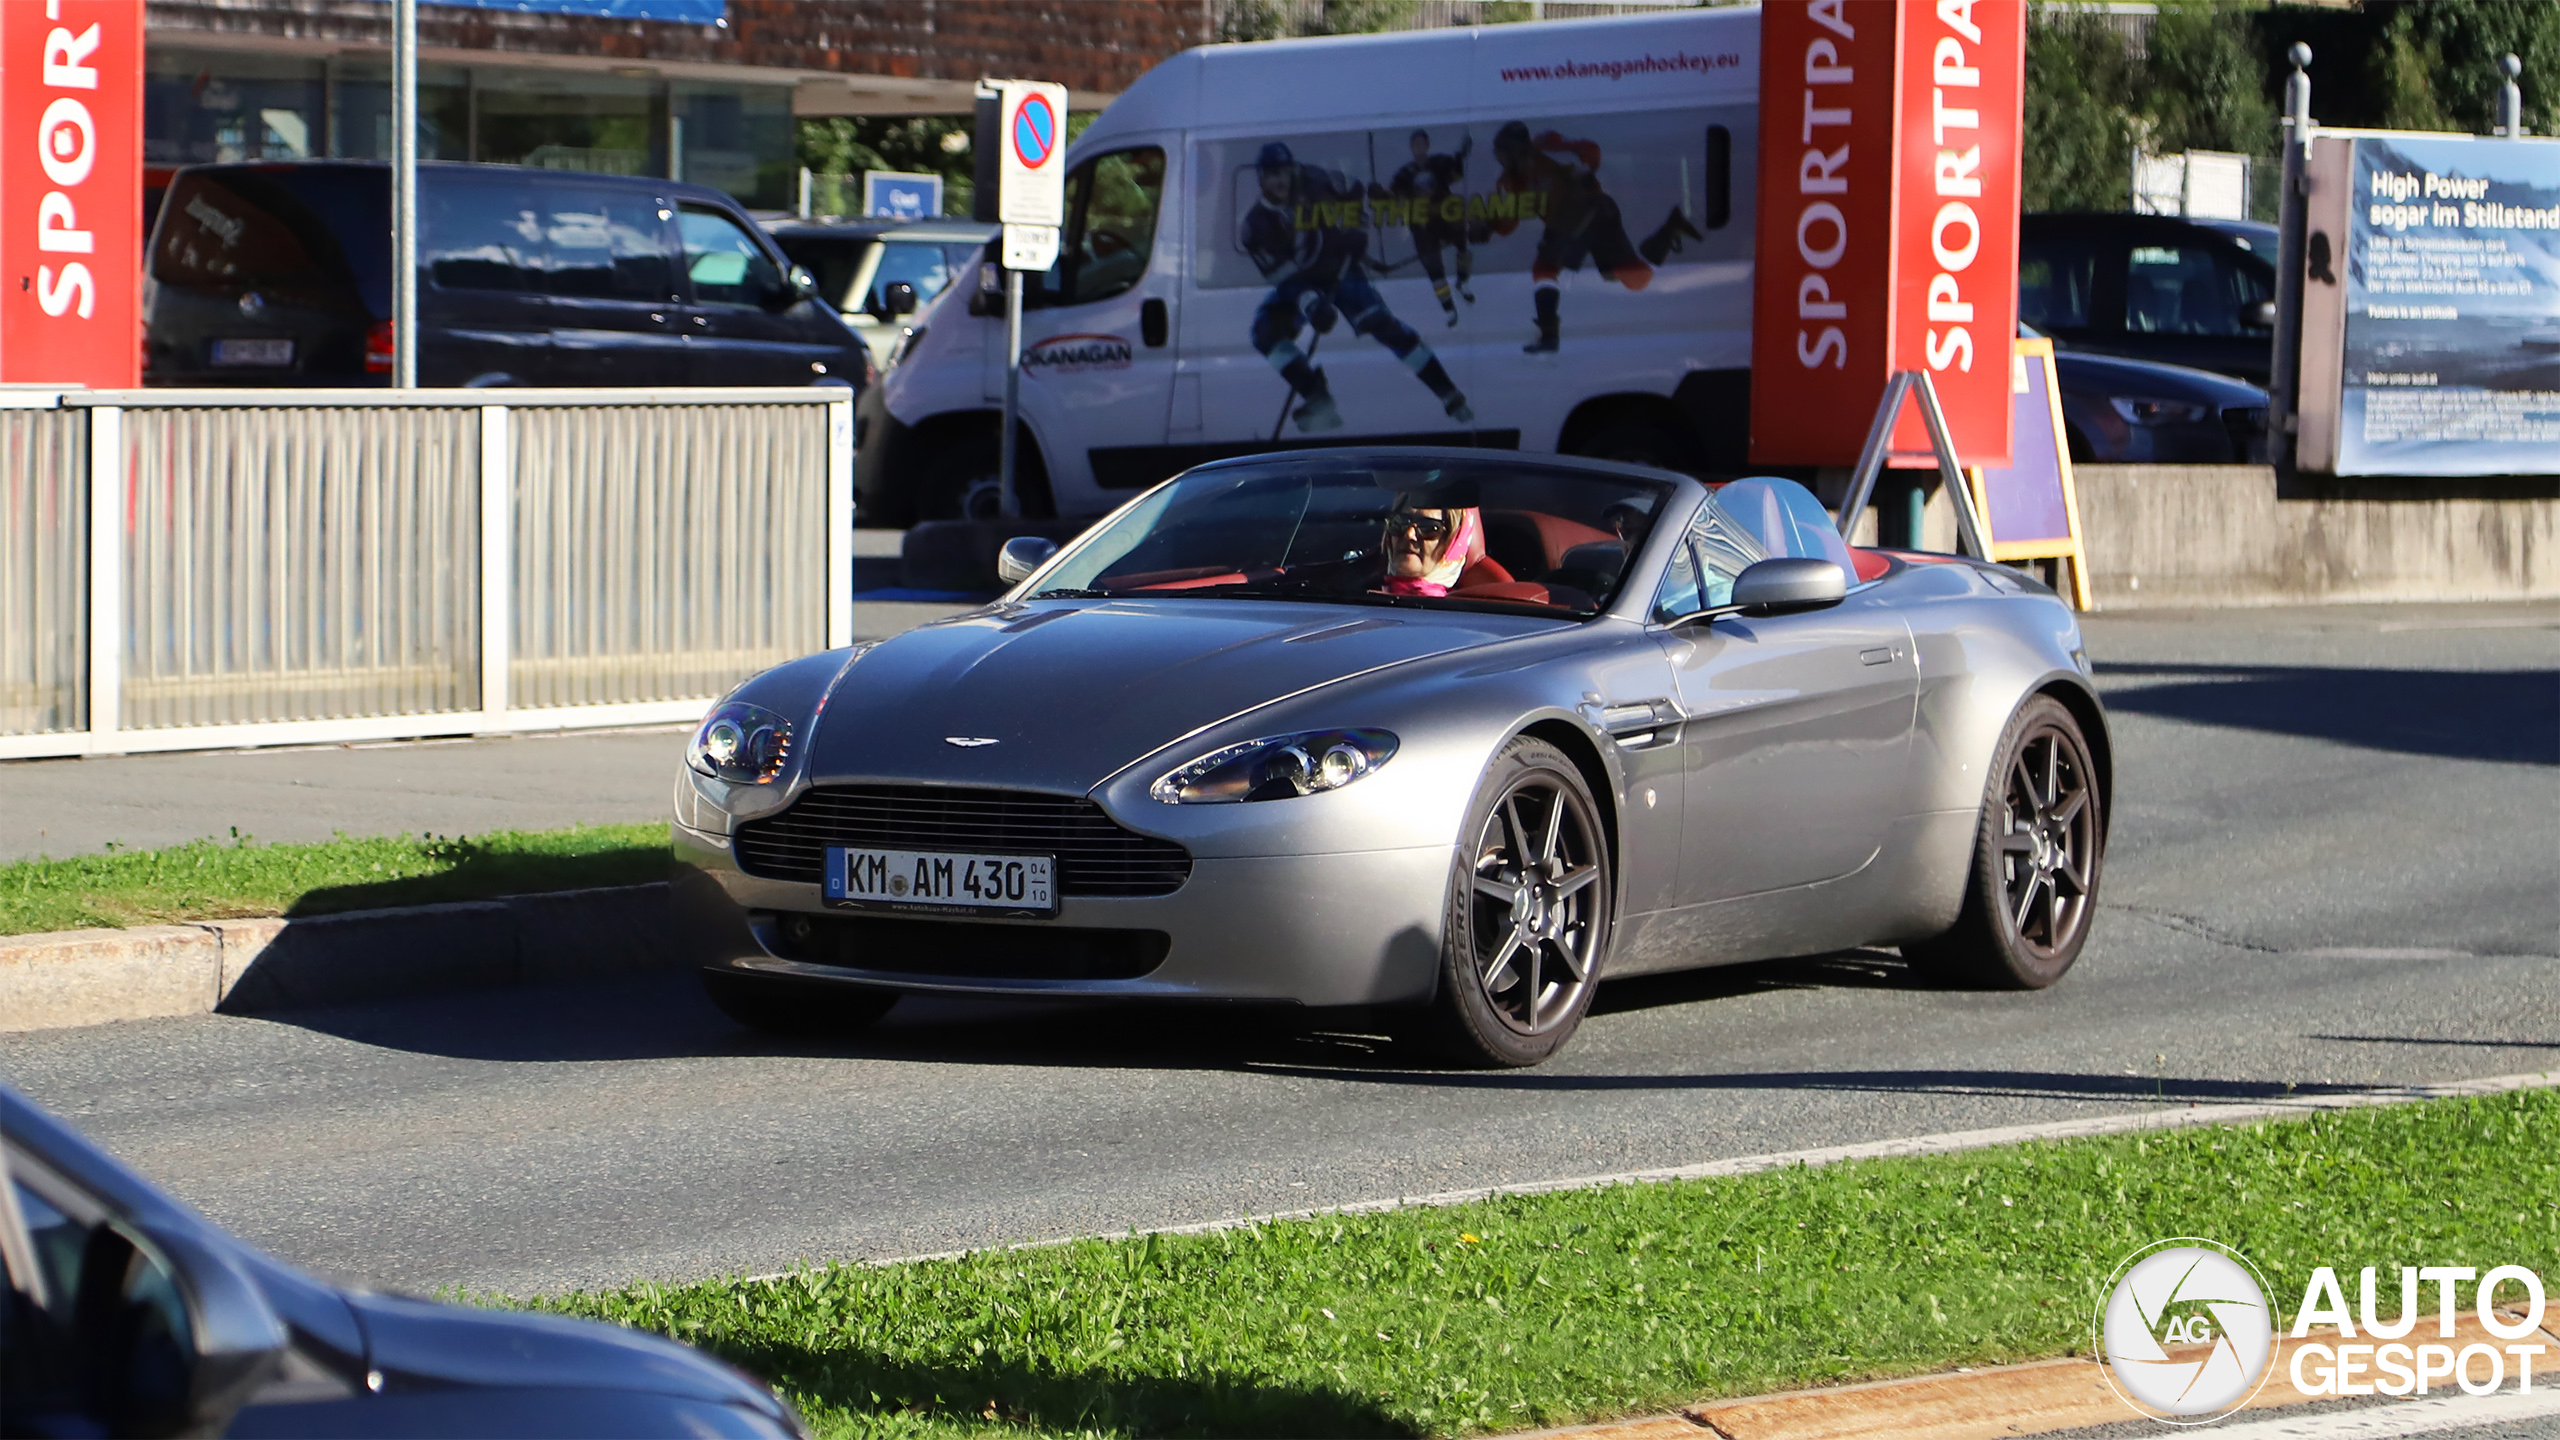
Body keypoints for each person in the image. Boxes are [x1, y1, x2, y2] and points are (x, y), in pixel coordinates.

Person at [1241, 141, 1474, 434]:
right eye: (1273, 174)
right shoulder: (1256, 226)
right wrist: (1312, 305)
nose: (1281, 179)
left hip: (1341, 265)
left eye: (1285, 171)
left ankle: (1448, 393)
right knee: (1264, 332)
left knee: (1383, 326)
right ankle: (1317, 397)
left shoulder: (1315, 179)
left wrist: (1355, 228)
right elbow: (1285, 279)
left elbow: (1355, 191)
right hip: (1303, 282)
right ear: (1261, 178)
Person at [1486, 120, 1700, 354]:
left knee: (1545, 266)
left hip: (1584, 207)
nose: (1501, 160)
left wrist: (1576, 163)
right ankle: (1670, 229)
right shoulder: (1513, 180)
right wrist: (1488, 227)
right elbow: (1509, 220)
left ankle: (1549, 336)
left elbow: (1590, 152)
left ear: (1515, 149)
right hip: (1592, 213)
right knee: (1630, 277)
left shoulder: (1546, 148)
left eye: (1503, 153)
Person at [1389, 128, 1475, 325]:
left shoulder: (1439, 163)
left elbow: (1455, 174)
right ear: (1411, 148)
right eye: (1415, 144)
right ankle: (1449, 309)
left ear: (1427, 146)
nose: (1419, 148)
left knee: (1462, 243)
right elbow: (1394, 194)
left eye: (1422, 144)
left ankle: (1463, 282)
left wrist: (1461, 155)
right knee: (1434, 270)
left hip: (1446, 219)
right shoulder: (1405, 173)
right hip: (1422, 228)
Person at [1381, 504, 1485, 597]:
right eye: (1399, 522)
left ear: (1454, 543)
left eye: (1429, 528)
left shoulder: (1461, 615)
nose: (1409, 534)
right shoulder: (1366, 596)